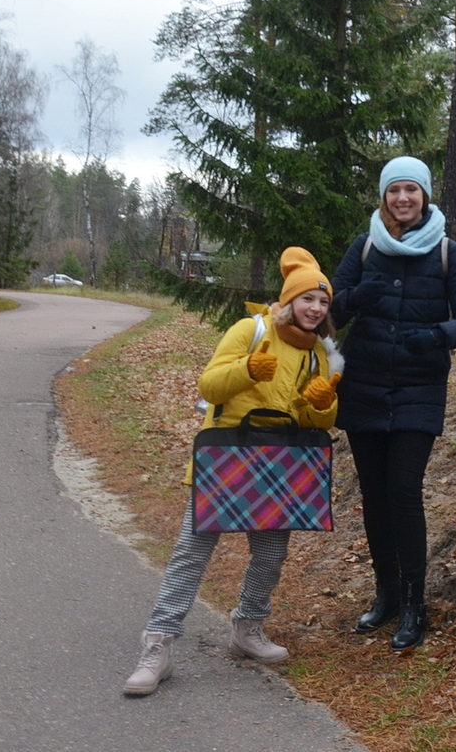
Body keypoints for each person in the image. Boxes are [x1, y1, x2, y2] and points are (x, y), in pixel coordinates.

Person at [124, 248, 341, 696]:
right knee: (192, 551)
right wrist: (247, 369)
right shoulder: (251, 328)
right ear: (290, 300)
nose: (315, 308)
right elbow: (209, 385)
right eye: (307, 300)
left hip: (280, 464)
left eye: (322, 303)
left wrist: (322, 404)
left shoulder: (320, 353)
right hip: (227, 458)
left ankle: (248, 627)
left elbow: (315, 424)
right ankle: (159, 643)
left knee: (269, 554)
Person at [332, 156, 456, 650]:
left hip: (419, 387)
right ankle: (387, 595)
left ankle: (417, 604)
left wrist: (436, 335)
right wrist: (357, 296)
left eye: (411, 191)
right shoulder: (365, 244)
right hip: (365, 384)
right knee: (374, 496)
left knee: (403, 490)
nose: (402, 199)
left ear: (425, 196)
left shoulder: (447, 252)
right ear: (384, 196)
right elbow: (329, 305)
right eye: (394, 190)